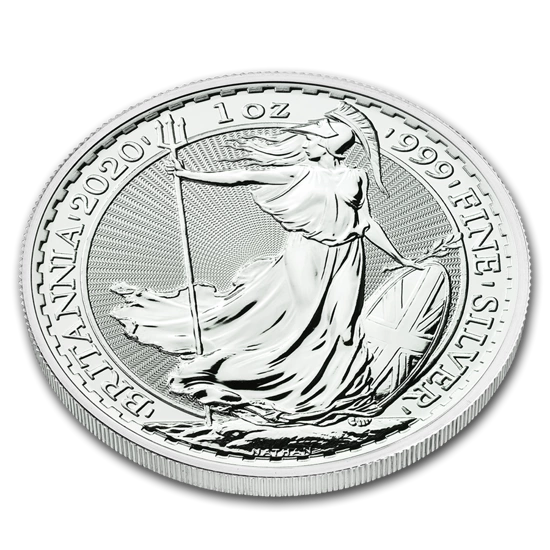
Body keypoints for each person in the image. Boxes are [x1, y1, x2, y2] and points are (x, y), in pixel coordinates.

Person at [111, 102, 420, 425]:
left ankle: (335, 394)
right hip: (306, 252)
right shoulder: (299, 172)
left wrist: (400, 258)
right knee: (307, 323)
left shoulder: (357, 177)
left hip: (348, 255)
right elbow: (243, 176)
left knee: (343, 328)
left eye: (312, 140)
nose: (305, 145)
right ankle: (278, 388)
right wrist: (188, 174)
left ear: (331, 144)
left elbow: (366, 222)